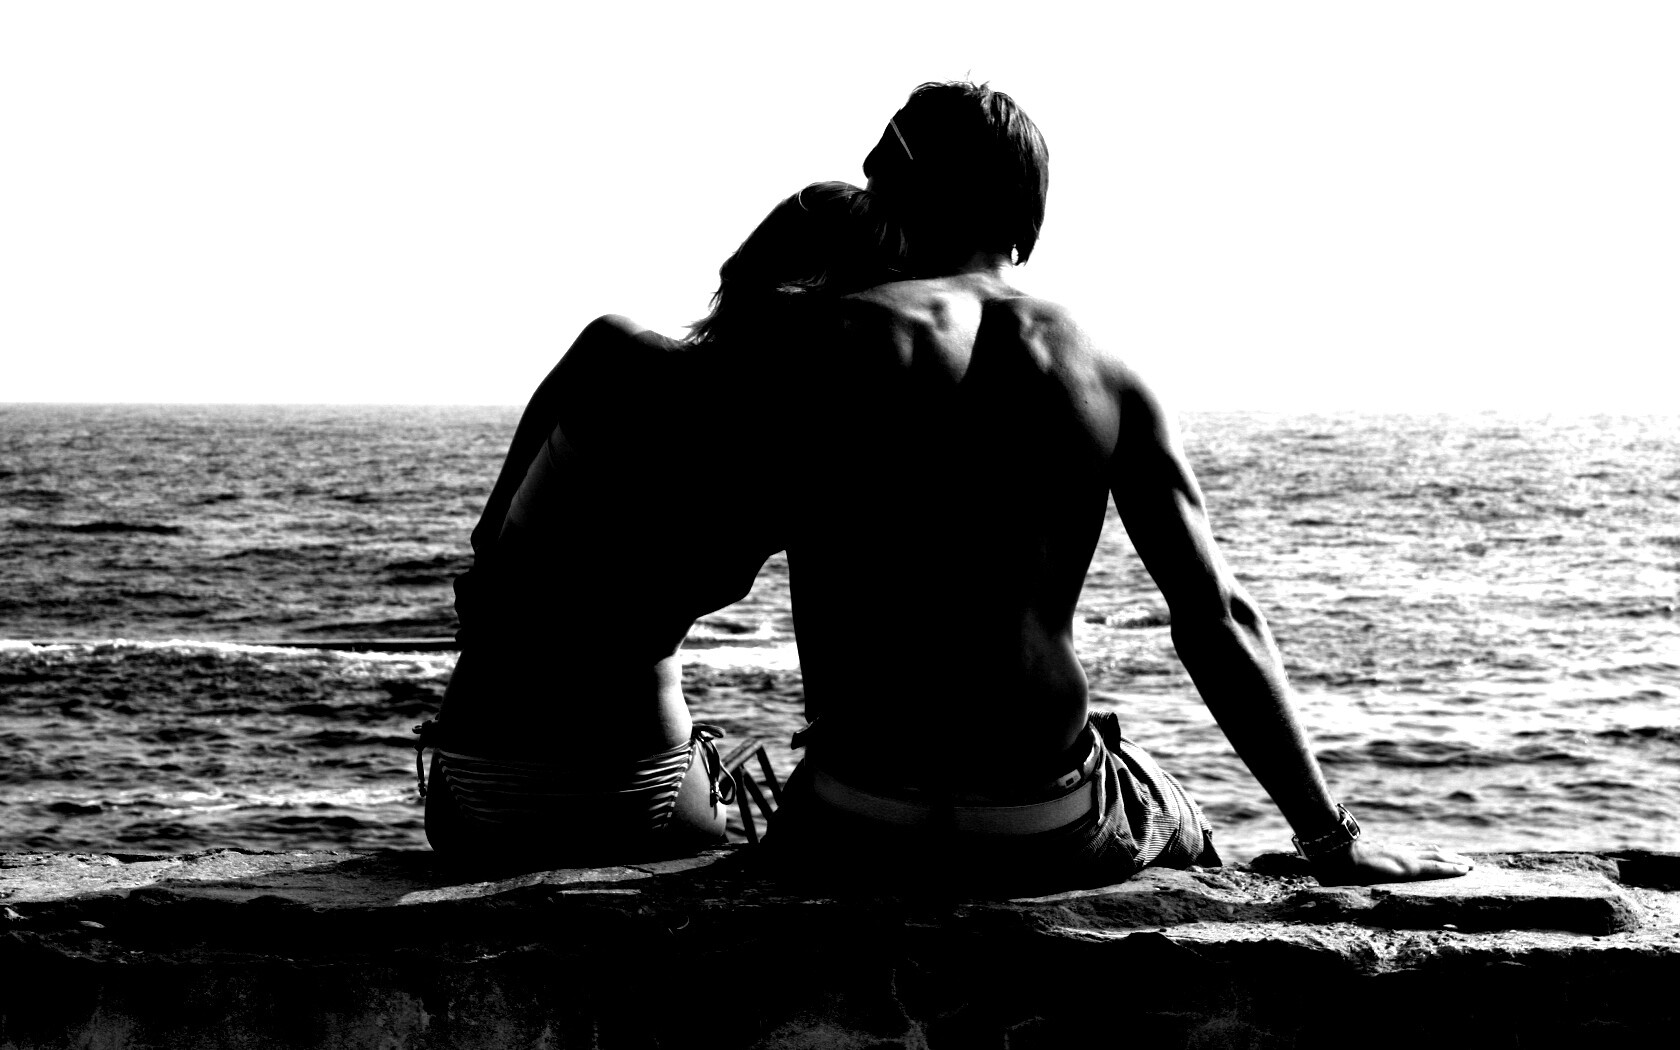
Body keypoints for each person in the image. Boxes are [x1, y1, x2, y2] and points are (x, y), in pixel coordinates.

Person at [762, 82, 1476, 892]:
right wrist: (1330, 837)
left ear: (899, 192)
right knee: (1167, 803)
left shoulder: (828, 336)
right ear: (1024, 213)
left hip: (855, 809)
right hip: (1038, 820)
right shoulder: (1105, 368)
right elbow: (1216, 616)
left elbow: (701, 542)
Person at [419, 182, 906, 867]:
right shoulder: (810, 463)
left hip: (476, 782)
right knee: (741, 787)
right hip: (639, 788)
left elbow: (486, 544)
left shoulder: (610, 351)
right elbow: (835, 663)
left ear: (748, 263)